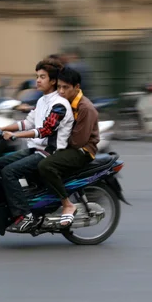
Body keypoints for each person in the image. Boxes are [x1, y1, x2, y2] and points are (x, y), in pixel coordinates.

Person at [0, 58, 74, 233]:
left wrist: (14, 135)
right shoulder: (42, 101)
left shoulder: (59, 104)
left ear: (53, 81)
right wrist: (0, 129)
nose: (37, 80)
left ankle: (25, 216)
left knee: (10, 172)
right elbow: (27, 123)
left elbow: (45, 130)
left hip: (50, 153)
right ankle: (15, 201)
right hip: (36, 149)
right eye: (37, 76)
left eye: (42, 77)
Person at [38, 66, 99, 226]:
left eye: (66, 87)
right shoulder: (65, 102)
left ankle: (67, 204)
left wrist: (55, 143)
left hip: (82, 151)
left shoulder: (85, 108)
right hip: (68, 146)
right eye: (59, 87)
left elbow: (78, 140)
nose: (61, 91)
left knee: (45, 165)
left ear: (77, 87)